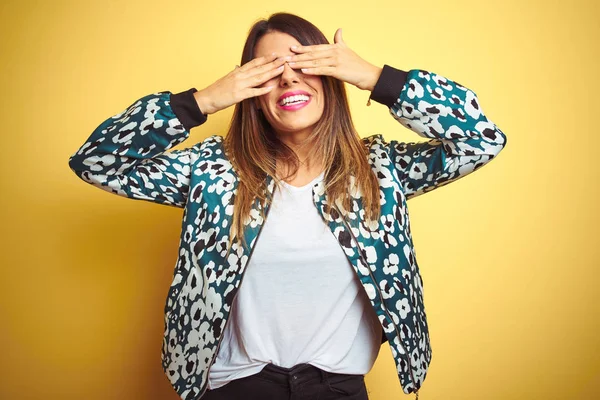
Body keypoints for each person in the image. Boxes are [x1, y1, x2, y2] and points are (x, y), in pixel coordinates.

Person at [68, 12, 507, 400]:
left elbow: (481, 139)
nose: (289, 79)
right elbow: (95, 162)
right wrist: (204, 101)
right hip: (236, 389)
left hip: (339, 389)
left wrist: (376, 77)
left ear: (330, 77)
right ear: (251, 91)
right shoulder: (212, 172)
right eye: (270, 70)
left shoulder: (379, 170)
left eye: (305, 65)